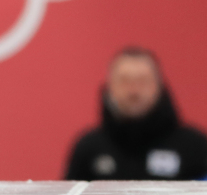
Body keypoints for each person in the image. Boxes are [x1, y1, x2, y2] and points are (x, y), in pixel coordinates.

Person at [65, 47, 207, 181]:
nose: (134, 91)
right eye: (124, 81)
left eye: (143, 81)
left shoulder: (195, 147)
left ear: (159, 86)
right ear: (109, 87)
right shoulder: (88, 148)